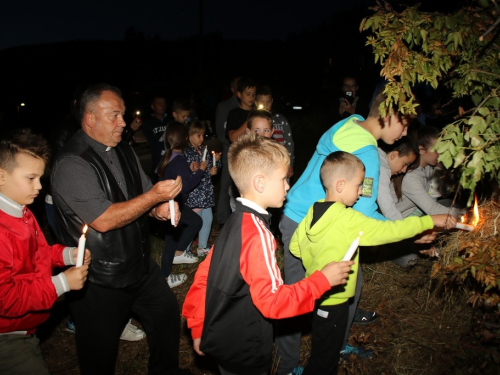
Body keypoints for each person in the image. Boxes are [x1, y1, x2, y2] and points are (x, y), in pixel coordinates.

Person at [182, 132, 354, 375]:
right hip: (246, 350)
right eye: (284, 179)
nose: (288, 186)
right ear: (260, 183)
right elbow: (273, 302)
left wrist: (198, 326)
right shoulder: (258, 234)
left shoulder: (235, 222)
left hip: (221, 341)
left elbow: (203, 278)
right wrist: (322, 280)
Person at [51, 83, 187, 374]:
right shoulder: (71, 163)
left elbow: (143, 191)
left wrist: (159, 208)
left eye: (123, 115)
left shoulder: (123, 150)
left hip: (138, 266)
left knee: (166, 316)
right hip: (100, 279)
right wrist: (154, 198)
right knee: (99, 355)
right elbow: (104, 219)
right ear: (90, 118)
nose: (123, 123)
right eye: (115, 115)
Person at [275, 88, 411, 375]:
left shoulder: (350, 123)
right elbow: (363, 214)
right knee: (296, 298)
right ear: (388, 116)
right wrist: (408, 232)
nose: (405, 132)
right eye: (405, 122)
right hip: (305, 222)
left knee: (352, 282)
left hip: (309, 213)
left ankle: (334, 343)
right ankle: (288, 366)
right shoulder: (367, 153)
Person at [290, 151, 456, 375]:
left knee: (323, 347)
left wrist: (317, 258)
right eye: (358, 185)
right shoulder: (348, 219)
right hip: (334, 299)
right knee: (325, 360)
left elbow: (294, 247)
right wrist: (427, 220)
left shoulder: (313, 210)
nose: (361, 192)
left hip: (317, 292)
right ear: (340, 185)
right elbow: (390, 230)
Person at [0, 129, 90, 375]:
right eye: (31, 178)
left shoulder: (22, 211)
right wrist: (60, 283)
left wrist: (66, 255)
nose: (39, 186)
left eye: (40, 177)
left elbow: (39, 254)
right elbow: (5, 299)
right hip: (6, 337)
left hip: (24, 331)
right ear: (1, 176)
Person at [157, 122, 205, 287]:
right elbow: (188, 184)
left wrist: (189, 168)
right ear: (184, 139)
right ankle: (165, 277)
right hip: (171, 205)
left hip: (170, 203)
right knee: (172, 239)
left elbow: (175, 174)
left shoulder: (169, 155)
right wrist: (200, 170)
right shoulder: (179, 160)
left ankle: (179, 252)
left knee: (195, 222)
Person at [377, 137, 422, 268]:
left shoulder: (378, 158)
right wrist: (410, 233)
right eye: (405, 164)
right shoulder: (382, 167)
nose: (404, 170)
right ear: (394, 155)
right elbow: (389, 210)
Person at [183, 121, 222, 257]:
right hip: (195, 194)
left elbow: (208, 166)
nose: (202, 138)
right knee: (195, 223)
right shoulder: (187, 152)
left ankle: (202, 246)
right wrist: (198, 170)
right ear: (189, 136)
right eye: (198, 135)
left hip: (205, 193)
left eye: (202, 135)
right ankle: (184, 249)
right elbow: (190, 170)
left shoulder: (202, 150)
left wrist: (216, 161)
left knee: (208, 219)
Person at [215, 76, 240, 226]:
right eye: (238, 86)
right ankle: (222, 220)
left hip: (246, 153)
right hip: (229, 150)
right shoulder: (224, 106)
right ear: (233, 89)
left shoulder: (253, 107)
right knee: (226, 186)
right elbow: (220, 132)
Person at [255, 85, 295, 178]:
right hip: (259, 164)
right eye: (262, 102)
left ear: (272, 101)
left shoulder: (280, 119)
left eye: (268, 102)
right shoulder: (252, 120)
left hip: (280, 163)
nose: (265, 105)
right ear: (256, 102)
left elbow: (289, 143)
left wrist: (290, 164)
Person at [143, 95, 169, 176]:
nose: (162, 106)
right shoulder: (148, 123)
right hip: (159, 161)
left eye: (164, 104)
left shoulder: (171, 120)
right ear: (153, 107)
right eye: (159, 104)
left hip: (173, 158)